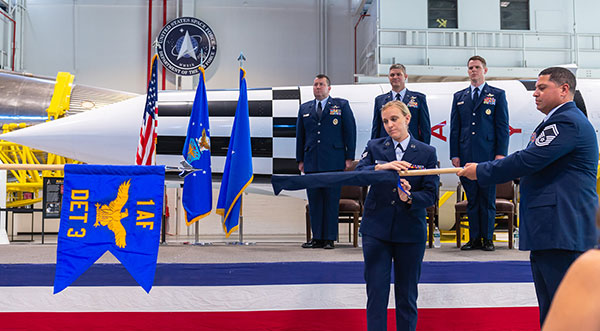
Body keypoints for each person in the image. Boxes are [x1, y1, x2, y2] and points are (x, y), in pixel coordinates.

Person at [457, 67, 598, 327]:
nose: (535, 93)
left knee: (563, 310)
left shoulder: (566, 122)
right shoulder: (554, 122)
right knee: (551, 308)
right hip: (552, 229)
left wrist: (482, 170)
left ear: (564, 89)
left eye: (543, 88)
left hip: (562, 229)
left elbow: (530, 160)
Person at [357, 101, 438, 331]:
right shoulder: (375, 147)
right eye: (385, 121)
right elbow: (358, 174)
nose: (390, 125)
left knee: (407, 295)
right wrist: (381, 168)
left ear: (407, 119)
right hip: (376, 231)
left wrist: (410, 198)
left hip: (410, 232)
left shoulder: (426, 152)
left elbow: (431, 194)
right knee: (376, 294)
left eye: (394, 119)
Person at [450, 55, 509, 251]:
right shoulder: (459, 97)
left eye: (476, 67)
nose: (473, 71)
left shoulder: (497, 95)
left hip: (488, 157)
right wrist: (454, 154)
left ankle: (487, 238)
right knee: (473, 199)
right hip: (466, 156)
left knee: (488, 199)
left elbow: (502, 126)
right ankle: (474, 238)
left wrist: (500, 153)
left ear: (485, 70)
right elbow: (455, 128)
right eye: (470, 68)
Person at [296, 74, 357, 249]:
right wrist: (300, 159)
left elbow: (350, 132)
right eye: (315, 84)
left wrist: (349, 157)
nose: (318, 87)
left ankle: (329, 238)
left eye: (321, 84)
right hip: (311, 161)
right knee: (315, 200)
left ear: (329, 88)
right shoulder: (305, 108)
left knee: (331, 200)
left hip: (334, 161)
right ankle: (317, 238)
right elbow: (300, 136)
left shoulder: (341, 105)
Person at [371, 64, 431, 144]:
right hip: (386, 148)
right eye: (392, 75)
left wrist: (424, 149)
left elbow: (425, 128)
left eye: (399, 74)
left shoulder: (419, 98)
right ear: (389, 78)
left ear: (405, 76)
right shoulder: (380, 100)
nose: (395, 77)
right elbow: (376, 128)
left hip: (411, 146)